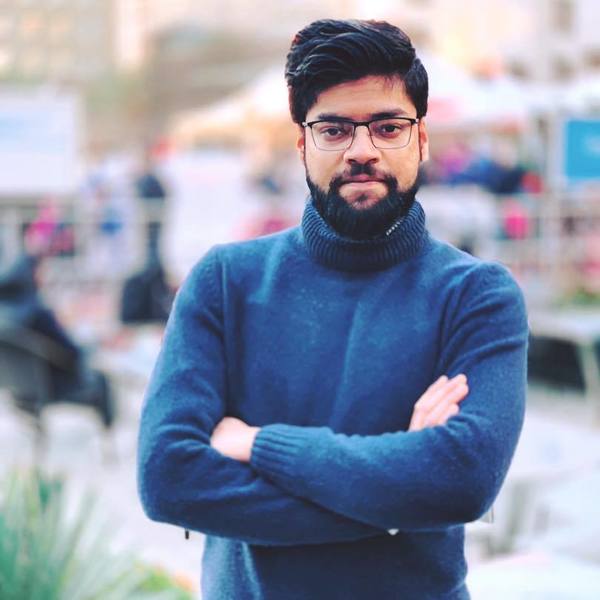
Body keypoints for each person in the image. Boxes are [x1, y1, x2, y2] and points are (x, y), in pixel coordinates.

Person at [137, 19, 528, 599]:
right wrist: (397, 497)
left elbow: (462, 481)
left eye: (389, 128)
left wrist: (259, 445)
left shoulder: (477, 295)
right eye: (334, 130)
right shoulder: (225, 282)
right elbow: (168, 478)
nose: (362, 151)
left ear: (422, 140)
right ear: (302, 145)